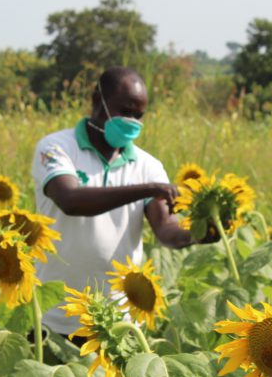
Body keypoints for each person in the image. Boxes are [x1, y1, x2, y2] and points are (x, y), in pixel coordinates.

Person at [31, 66, 200, 338]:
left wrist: (198, 233)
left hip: (117, 322)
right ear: (97, 100)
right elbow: (70, 201)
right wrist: (147, 189)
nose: (131, 121)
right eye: (124, 111)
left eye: (139, 115)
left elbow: (166, 229)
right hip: (54, 316)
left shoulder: (148, 165)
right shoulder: (56, 148)